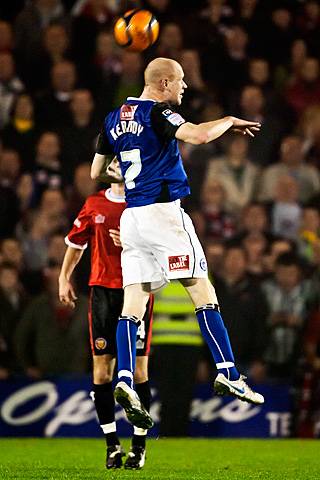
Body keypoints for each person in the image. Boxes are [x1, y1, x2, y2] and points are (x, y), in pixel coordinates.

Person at [91, 57, 265, 431]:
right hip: (163, 215)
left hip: (132, 217)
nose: (184, 87)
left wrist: (129, 171)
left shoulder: (112, 118)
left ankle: (123, 378)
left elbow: (96, 171)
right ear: (165, 83)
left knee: (133, 304)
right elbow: (199, 135)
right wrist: (229, 121)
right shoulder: (159, 112)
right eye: (181, 81)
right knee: (204, 292)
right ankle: (228, 371)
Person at [59, 179, 153, 470]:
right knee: (102, 371)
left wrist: (132, 244)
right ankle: (112, 445)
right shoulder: (94, 204)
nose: (114, 162)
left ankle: (138, 448)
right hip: (102, 292)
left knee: (138, 370)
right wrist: (64, 277)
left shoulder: (145, 202)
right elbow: (76, 243)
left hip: (136, 288)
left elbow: (161, 248)